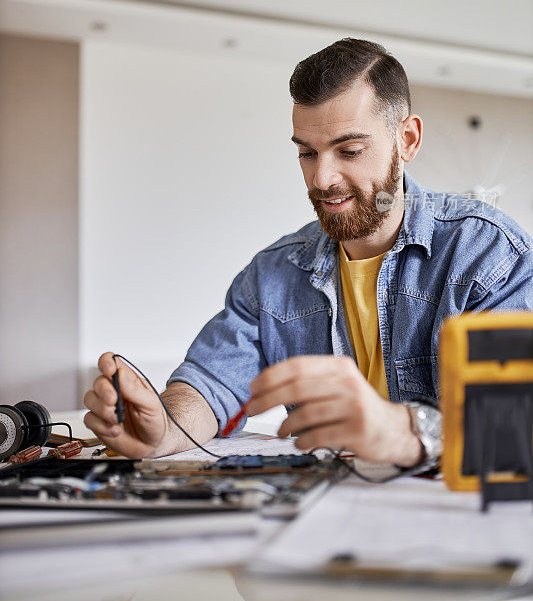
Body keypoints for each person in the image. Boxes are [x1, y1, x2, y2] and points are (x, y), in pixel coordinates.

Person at [84, 39, 532, 469]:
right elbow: (211, 382)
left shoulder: (488, 256)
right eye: (307, 153)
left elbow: (514, 423)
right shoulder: (272, 276)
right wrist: (165, 427)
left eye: (350, 150)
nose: (322, 178)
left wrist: (404, 431)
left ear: (407, 140)